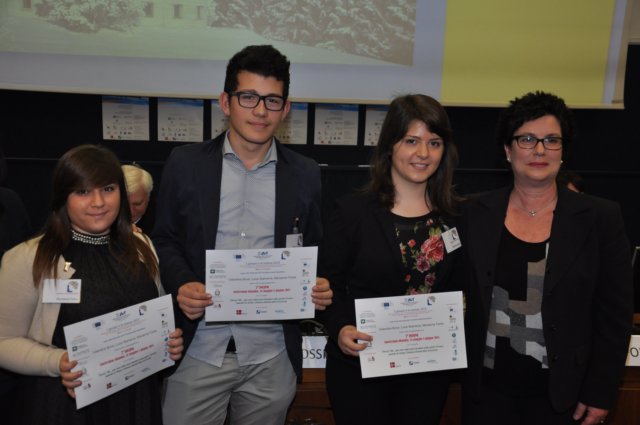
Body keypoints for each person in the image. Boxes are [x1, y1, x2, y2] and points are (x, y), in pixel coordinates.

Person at [153, 45, 333, 425]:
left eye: (272, 100)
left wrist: (316, 285)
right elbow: (165, 239)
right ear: (226, 102)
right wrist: (182, 283)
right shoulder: (185, 164)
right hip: (199, 347)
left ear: (285, 109)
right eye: (248, 97)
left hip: (271, 354)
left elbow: (313, 250)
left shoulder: (305, 174)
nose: (261, 110)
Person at [458, 91, 633, 425]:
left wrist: (600, 391)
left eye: (552, 140)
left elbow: (615, 315)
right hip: (487, 396)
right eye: (527, 139)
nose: (539, 150)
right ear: (507, 150)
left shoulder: (600, 218)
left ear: (563, 151)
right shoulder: (473, 212)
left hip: (564, 398)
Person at [0, 144, 184, 425]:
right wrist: (58, 361)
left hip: (135, 399)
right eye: (83, 191)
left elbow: (154, 315)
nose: (98, 202)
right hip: (65, 405)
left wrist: (167, 341)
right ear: (63, 197)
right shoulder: (29, 258)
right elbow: (3, 341)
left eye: (108, 189)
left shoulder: (141, 245)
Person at [319, 94, 462, 425]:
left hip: (428, 374)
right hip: (361, 370)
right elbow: (327, 287)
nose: (423, 153)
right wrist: (340, 328)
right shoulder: (352, 213)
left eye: (434, 143)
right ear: (389, 145)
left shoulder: (457, 217)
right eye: (411, 141)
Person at [122, 163, 154, 232]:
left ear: (148, 198)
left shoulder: (161, 226)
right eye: (124, 204)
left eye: (137, 204)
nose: (130, 211)